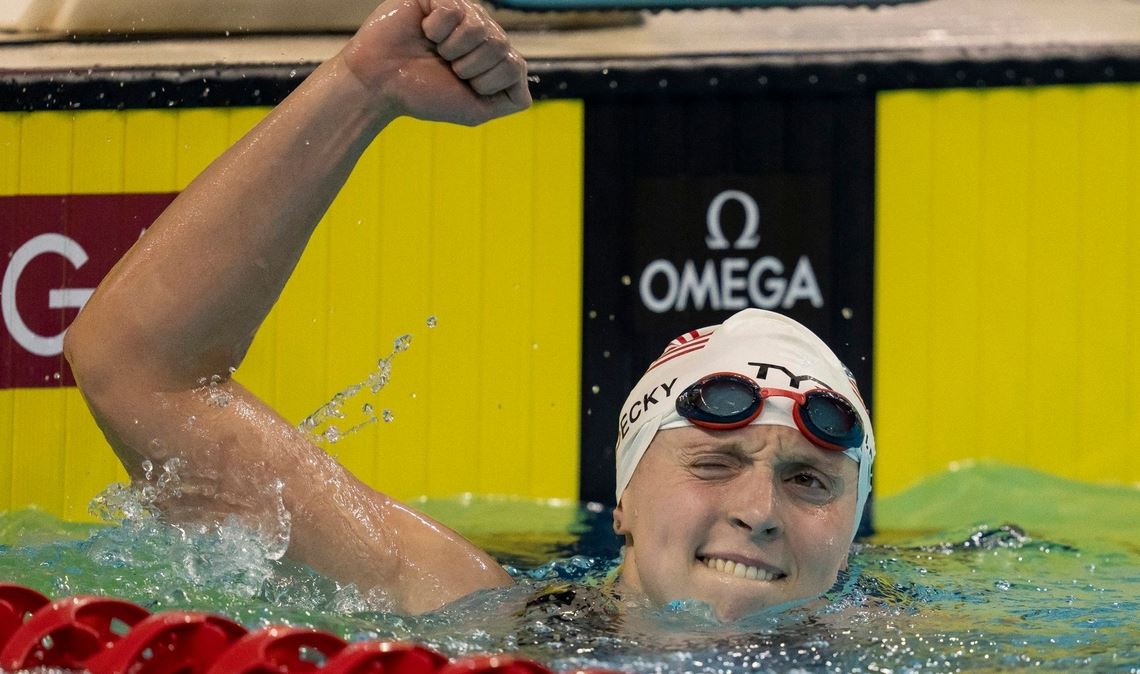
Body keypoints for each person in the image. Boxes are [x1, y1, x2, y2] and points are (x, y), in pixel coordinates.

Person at [63, 0, 874, 623]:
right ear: (622, 502)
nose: (759, 513)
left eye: (810, 481)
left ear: (848, 535)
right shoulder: (477, 622)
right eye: (714, 462)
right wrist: (362, 86)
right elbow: (137, 370)